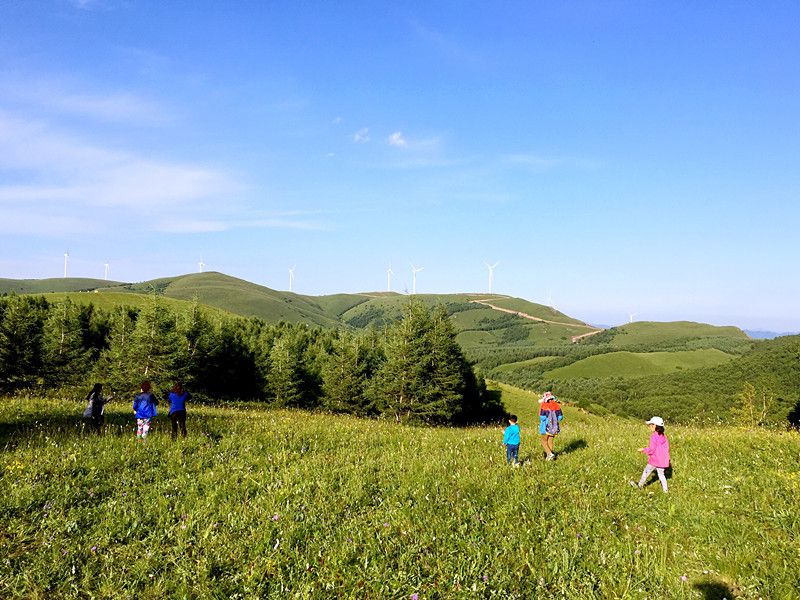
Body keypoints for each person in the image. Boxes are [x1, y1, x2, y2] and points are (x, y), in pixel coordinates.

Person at [630, 416, 671, 493]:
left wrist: (643, 450)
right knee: (661, 475)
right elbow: (666, 449)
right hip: (663, 460)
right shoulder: (664, 437)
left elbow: (652, 450)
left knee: (646, 472)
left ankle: (639, 485)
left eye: (650, 425)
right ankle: (665, 491)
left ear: (655, 426)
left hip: (655, 460)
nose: (649, 426)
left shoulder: (653, 436)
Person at [538, 391, 563, 461]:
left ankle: (549, 454)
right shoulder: (557, 405)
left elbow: (542, 417)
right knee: (550, 441)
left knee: (543, 441)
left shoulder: (544, 405)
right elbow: (560, 417)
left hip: (545, 427)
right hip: (555, 427)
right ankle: (549, 457)